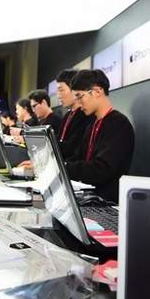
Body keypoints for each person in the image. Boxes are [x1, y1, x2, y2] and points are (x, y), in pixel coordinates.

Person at [65, 69, 135, 202]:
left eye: (80, 97)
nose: (79, 104)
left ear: (97, 91)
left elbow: (101, 170)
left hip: (107, 203)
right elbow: (78, 158)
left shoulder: (119, 124)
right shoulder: (92, 125)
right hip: (89, 199)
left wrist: (65, 167)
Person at [56, 69, 92, 161]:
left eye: (61, 90)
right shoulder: (67, 115)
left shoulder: (86, 116)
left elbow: (72, 148)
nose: (58, 96)